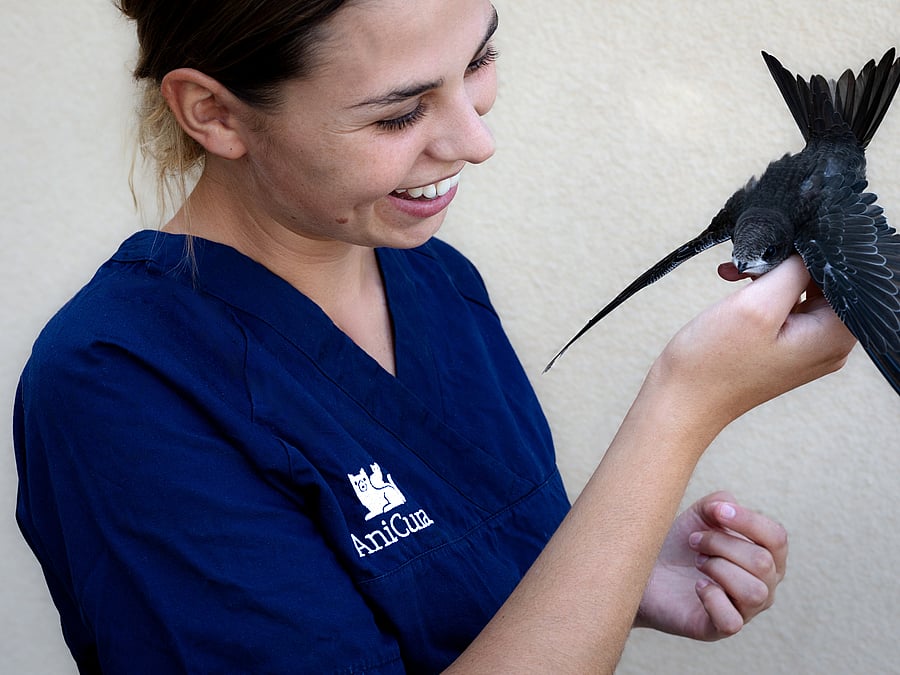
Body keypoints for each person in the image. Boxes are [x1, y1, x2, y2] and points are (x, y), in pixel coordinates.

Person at [13, 1, 856, 673]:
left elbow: (450, 576)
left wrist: (618, 569)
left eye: (480, 60)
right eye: (400, 113)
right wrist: (680, 410)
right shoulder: (120, 383)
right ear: (215, 113)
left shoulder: (436, 280)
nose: (477, 142)